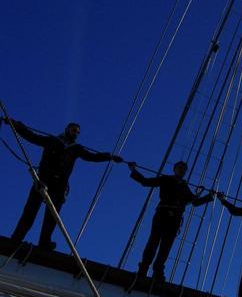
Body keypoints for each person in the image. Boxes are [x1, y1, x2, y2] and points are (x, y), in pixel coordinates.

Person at [5, 119, 122, 249]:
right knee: (30, 211)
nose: (75, 133)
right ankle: (17, 238)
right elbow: (31, 136)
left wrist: (109, 157)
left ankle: (44, 242)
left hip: (59, 186)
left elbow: (92, 157)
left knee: (52, 216)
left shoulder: (76, 149)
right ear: (66, 129)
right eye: (73, 130)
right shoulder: (52, 141)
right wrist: (15, 125)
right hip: (43, 180)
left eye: (77, 132)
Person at [128, 161, 213, 279]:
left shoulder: (184, 186)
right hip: (163, 214)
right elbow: (146, 182)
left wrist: (208, 196)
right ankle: (144, 268)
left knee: (166, 246)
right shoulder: (165, 179)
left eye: (184, 169)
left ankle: (157, 271)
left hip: (175, 218)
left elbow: (194, 202)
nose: (182, 170)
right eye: (180, 168)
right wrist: (133, 170)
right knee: (153, 242)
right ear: (174, 169)